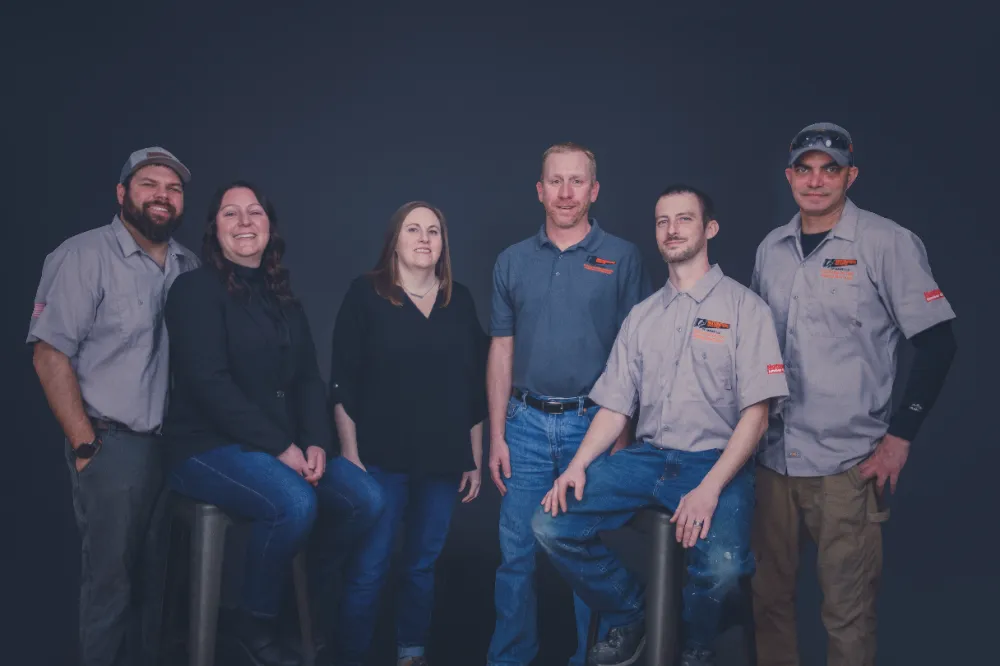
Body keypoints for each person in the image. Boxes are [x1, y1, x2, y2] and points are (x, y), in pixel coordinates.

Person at [531, 185, 790, 666]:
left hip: (715, 462)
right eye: (662, 221)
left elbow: (756, 416)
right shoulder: (642, 317)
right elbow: (615, 407)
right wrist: (578, 465)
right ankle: (633, 615)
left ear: (709, 228)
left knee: (723, 569)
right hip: (647, 460)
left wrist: (709, 489)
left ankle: (694, 642)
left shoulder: (745, 309)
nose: (672, 230)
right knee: (551, 524)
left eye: (684, 219)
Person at [749, 123, 958, 666]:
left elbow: (938, 343)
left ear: (850, 175)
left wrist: (900, 437)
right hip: (772, 462)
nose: (816, 181)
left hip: (846, 466)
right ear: (789, 176)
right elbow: (751, 351)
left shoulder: (887, 243)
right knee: (767, 603)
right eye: (805, 169)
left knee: (847, 613)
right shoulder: (771, 249)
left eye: (830, 169)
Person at [161, 181, 385, 666]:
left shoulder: (283, 299)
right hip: (204, 448)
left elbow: (307, 380)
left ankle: (294, 603)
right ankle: (251, 624)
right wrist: (282, 448)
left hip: (280, 445)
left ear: (270, 227)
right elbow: (208, 383)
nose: (244, 221)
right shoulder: (193, 291)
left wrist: (316, 443)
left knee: (365, 499)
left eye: (255, 212)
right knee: (294, 501)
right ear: (214, 229)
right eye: (231, 213)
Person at [28, 147, 198, 666]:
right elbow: (49, 354)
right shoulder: (83, 256)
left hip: (172, 451)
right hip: (111, 446)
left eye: (173, 188)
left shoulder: (189, 266)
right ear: (122, 193)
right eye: (149, 184)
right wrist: (85, 444)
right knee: (110, 587)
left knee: (160, 587)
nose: (162, 196)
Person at [486, 142, 652, 666]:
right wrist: (497, 434)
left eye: (576, 181)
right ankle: (510, 658)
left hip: (592, 424)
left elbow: (635, 352)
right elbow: (501, 349)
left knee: (581, 547)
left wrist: (623, 435)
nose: (565, 192)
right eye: (555, 181)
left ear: (594, 190)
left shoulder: (622, 257)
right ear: (539, 190)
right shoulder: (512, 260)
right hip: (524, 426)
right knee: (516, 555)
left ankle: (590, 659)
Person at [326, 201, 488, 666]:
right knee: (370, 565)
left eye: (433, 231)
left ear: (443, 244)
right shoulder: (366, 294)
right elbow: (342, 381)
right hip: (378, 458)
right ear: (394, 241)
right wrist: (350, 455)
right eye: (413, 229)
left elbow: (474, 387)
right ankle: (351, 656)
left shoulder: (460, 301)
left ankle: (411, 653)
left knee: (421, 566)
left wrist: (473, 456)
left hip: (441, 460)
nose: (424, 238)